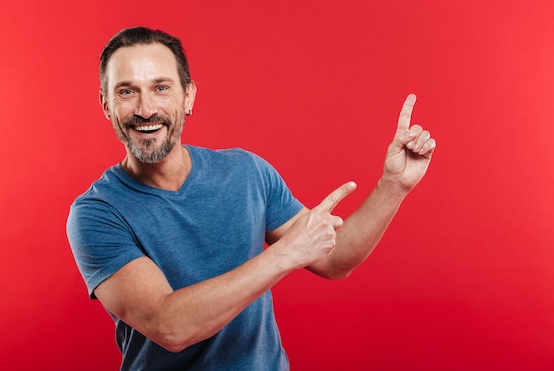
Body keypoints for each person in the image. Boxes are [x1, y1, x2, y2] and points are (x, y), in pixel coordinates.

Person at [66, 26, 436, 371]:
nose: (146, 109)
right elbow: (170, 326)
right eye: (127, 91)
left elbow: (335, 260)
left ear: (188, 95)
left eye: (161, 88)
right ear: (106, 104)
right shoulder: (96, 213)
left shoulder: (246, 173)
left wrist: (394, 186)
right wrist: (286, 253)